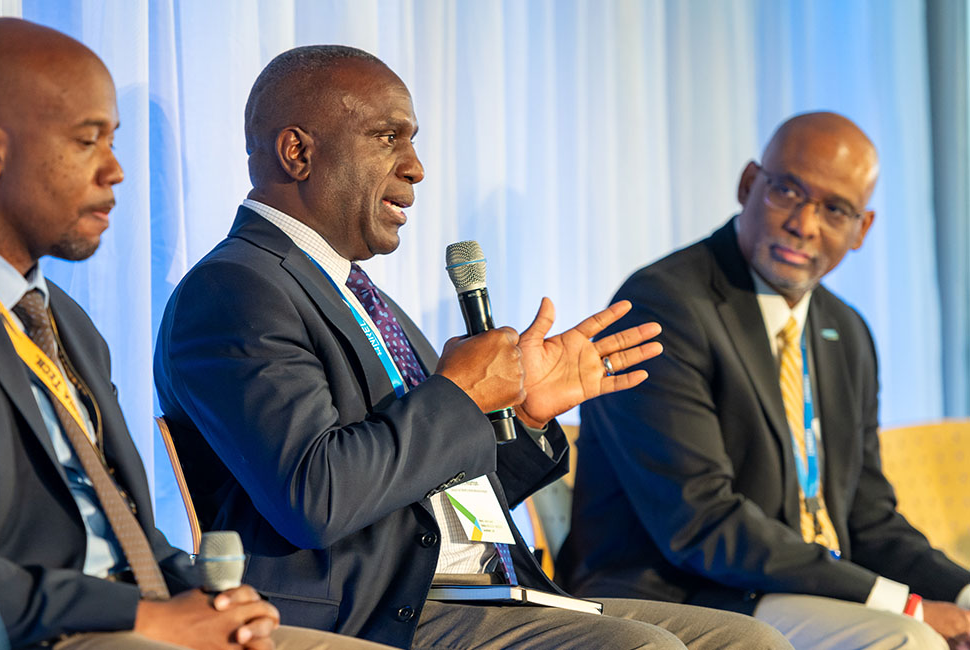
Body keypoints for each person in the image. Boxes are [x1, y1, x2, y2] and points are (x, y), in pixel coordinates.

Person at [154, 44, 791, 650]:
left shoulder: (356, 291)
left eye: (412, 141)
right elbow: (315, 498)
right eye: (387, 138)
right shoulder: (235, 290)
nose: (415, 167)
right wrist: (458, 394)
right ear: (298, 152)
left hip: (471, 593)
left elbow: (436, 493)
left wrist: (525, 416)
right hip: (370, 613)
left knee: (749, 641)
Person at [0, 18, 391, 650]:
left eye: (113, 142)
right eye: (88, 141)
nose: (115, 170)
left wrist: (211, 598)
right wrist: (143, 619)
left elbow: (125, 531)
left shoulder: (69, 324)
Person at [558, 111, 970, 649]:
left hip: (802, 587)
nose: (805, 223)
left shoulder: (846, 332)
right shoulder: (664, 306)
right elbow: (701, 523)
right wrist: (908, 605)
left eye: (835, 209)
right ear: (749, 184)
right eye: (788, 192)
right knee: (905, 639)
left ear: (861, 229)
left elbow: (868, 519)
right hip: (684, 591)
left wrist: (961, 596)